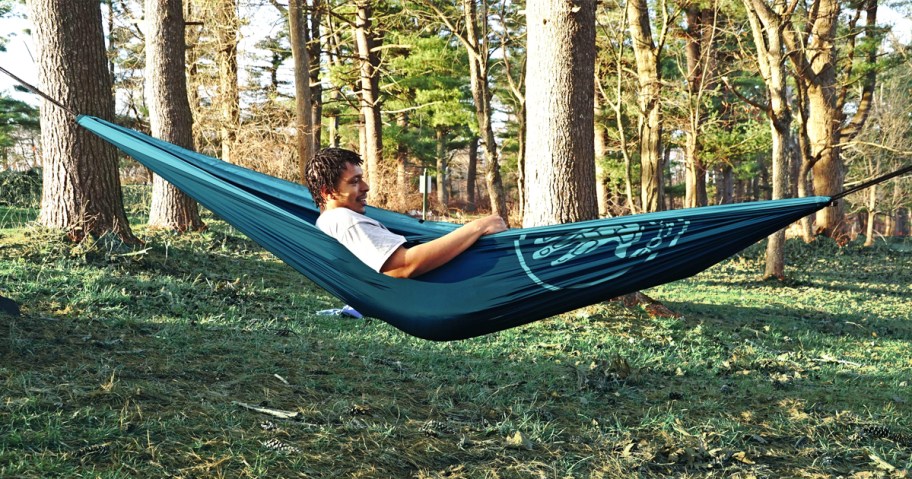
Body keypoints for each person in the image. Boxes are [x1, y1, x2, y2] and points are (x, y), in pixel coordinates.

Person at [305, 148, 507, 279]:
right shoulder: (344, 219)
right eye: (354, 181)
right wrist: (477, 227)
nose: (366, 187)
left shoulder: (329, 220)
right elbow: (402, 266)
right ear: (328, 191)